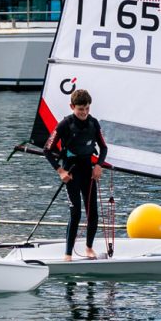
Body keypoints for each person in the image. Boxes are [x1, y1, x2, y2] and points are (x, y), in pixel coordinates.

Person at [44, 88, 109, 260]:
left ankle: (88, 248)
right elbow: (47, 150)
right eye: (81, 109)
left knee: (92, 213)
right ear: (72, 106)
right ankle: (68, 254)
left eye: (87, 108)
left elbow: (103, 148)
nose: (84, 112)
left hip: (88, 172)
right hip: (71, 174)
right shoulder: (64, 124)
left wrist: (99, 166)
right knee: (76, 213)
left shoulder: (93, 123)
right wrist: (60, 171)